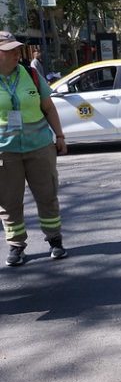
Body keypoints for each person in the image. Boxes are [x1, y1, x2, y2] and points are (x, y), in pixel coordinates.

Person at [0, 31, 68, 267]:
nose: (17, 53)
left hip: (39, 147)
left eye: (17, 49)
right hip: (5, 153)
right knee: (9, 202)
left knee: (47, 195)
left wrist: (59, 135)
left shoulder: (31, 73)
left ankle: (55, 241)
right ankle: (16, 246)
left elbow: (48, 108)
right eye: (10, 50)